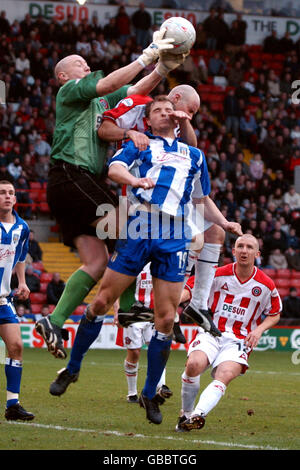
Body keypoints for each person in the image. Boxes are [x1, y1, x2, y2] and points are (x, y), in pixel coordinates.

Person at [49, 96, 240, 425]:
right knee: (102, 300)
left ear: (179, 119)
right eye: (158, 111)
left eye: (170, 110)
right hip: (139, 226)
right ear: (148, 121)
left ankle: (150, 394)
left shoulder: (194, 155)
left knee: (165, 320)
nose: (166, 114)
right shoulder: (141, 143)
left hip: (175, 235)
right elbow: (114, 168)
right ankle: (73, 368)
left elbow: (201, 198)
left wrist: (223, 224)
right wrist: (134, 180)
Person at [35, 30, 187, 359]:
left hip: (71, 183)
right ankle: (129, 308)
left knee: (97, 261)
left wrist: (161, 68)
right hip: (72, 175)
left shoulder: (99, 101)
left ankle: (54, 320)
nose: (85, 65)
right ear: (64, 75)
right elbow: (105, 84)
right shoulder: (70, 91)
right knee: (126, 227)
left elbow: (132, 90)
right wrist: (147, 55)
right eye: (79, 63)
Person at [98, 86, 242, 334]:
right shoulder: (142, 106)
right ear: (175, 100)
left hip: (177, 198)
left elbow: (191, 146)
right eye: (192, 111)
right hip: (141, 197)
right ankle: (139, 305)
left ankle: (195, 304)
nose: (191, 116)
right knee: (155, 244)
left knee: (215, 233)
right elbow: (103, 129)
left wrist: (183, 121)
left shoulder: (179, 129)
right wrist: (130, 133)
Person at [175, 234, 281, 432]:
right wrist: (172, 303)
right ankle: (186, 414)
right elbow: (190, 288)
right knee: (193, 365)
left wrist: (258, 330)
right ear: (233, 251)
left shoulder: (266, 285)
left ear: (257, 254)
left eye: (249, 247)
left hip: (239, 340)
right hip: (211, 332)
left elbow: (274, 314)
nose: (244, 250)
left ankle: (198, 415)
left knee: (225, 374)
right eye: (240, 246)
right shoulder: (217, 273)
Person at [115, 262, 184, 404]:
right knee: (134, 353)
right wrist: (117, 311)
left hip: (155, 314)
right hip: (133, 314)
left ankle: (161, 386)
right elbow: (117, 288)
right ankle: (132, 392)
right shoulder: (135, 260)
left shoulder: (160, 261)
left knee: (158, 350)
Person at [0, 180, 34, 421]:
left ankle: (13, 405)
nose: (7, 197)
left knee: (16, 346)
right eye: (2, 193)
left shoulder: (22, 227)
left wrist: (21, 282)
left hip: (3, 298)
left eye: (11, 193)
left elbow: (20, 256)